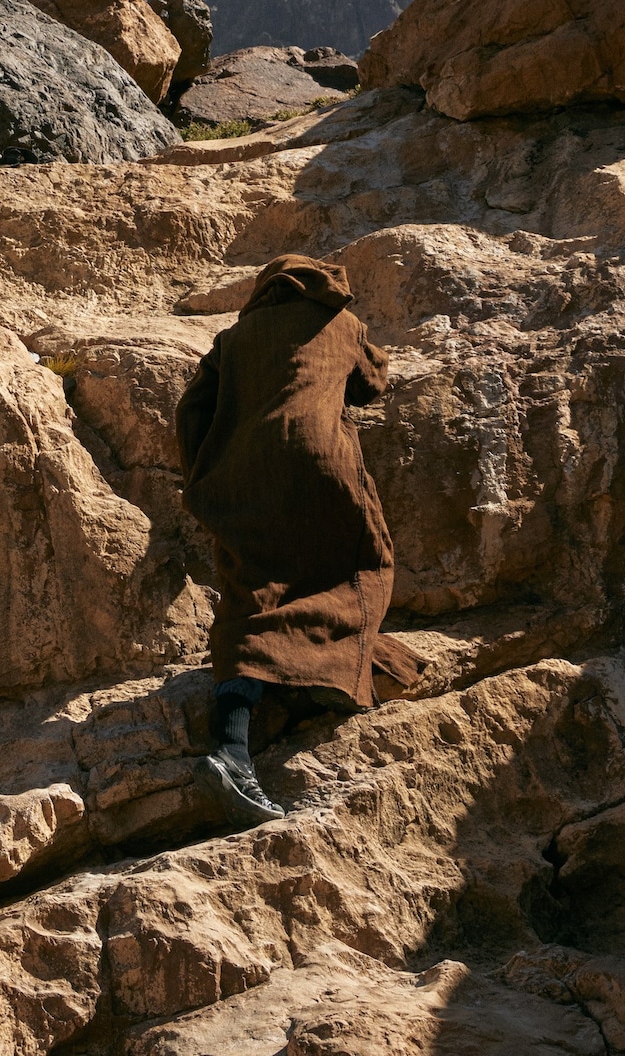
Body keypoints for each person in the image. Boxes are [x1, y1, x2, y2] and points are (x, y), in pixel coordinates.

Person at [175, 253, 421, 827]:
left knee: (253, 592)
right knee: (358, 565)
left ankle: (238, 744)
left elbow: (192, 410)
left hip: (240, 472)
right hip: (318, 465)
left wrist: (205, 477)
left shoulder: (234, 338)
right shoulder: (340, 324)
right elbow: (371, 382)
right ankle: (323, 680)